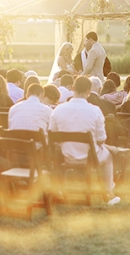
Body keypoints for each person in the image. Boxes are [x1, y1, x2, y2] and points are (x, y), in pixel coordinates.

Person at [49, 76, 120, 205]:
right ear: (88, 91)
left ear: (73, 88)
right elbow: (101, 139)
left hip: (65, 156)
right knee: (108, 156)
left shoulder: (58, 109)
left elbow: (51, 133)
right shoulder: (95, 110)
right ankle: (108, 192)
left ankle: (59, 190)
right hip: (90, 157)